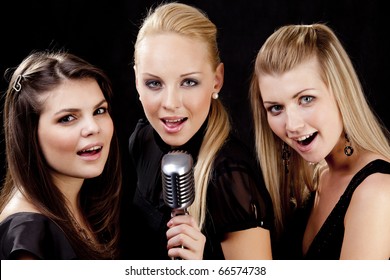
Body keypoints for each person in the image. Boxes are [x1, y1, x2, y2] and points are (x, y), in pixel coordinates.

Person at [125, 2, 274, 260]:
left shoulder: (230, 176)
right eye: (154, 83)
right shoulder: (142, 141)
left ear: (216, 80)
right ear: (137, 80)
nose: (170, 102)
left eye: (189, 82)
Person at [249, 23, 390, 259]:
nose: (292, 125)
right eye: (276, 108)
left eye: (306, 99)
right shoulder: (316, 177)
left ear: (341, 93)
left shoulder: (377, 192)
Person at [0, 50, 122, 259]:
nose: (93, 128)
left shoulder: (85, 205)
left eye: (99, 111)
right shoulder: (28, 236)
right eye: (67, 118)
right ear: (29, 133)